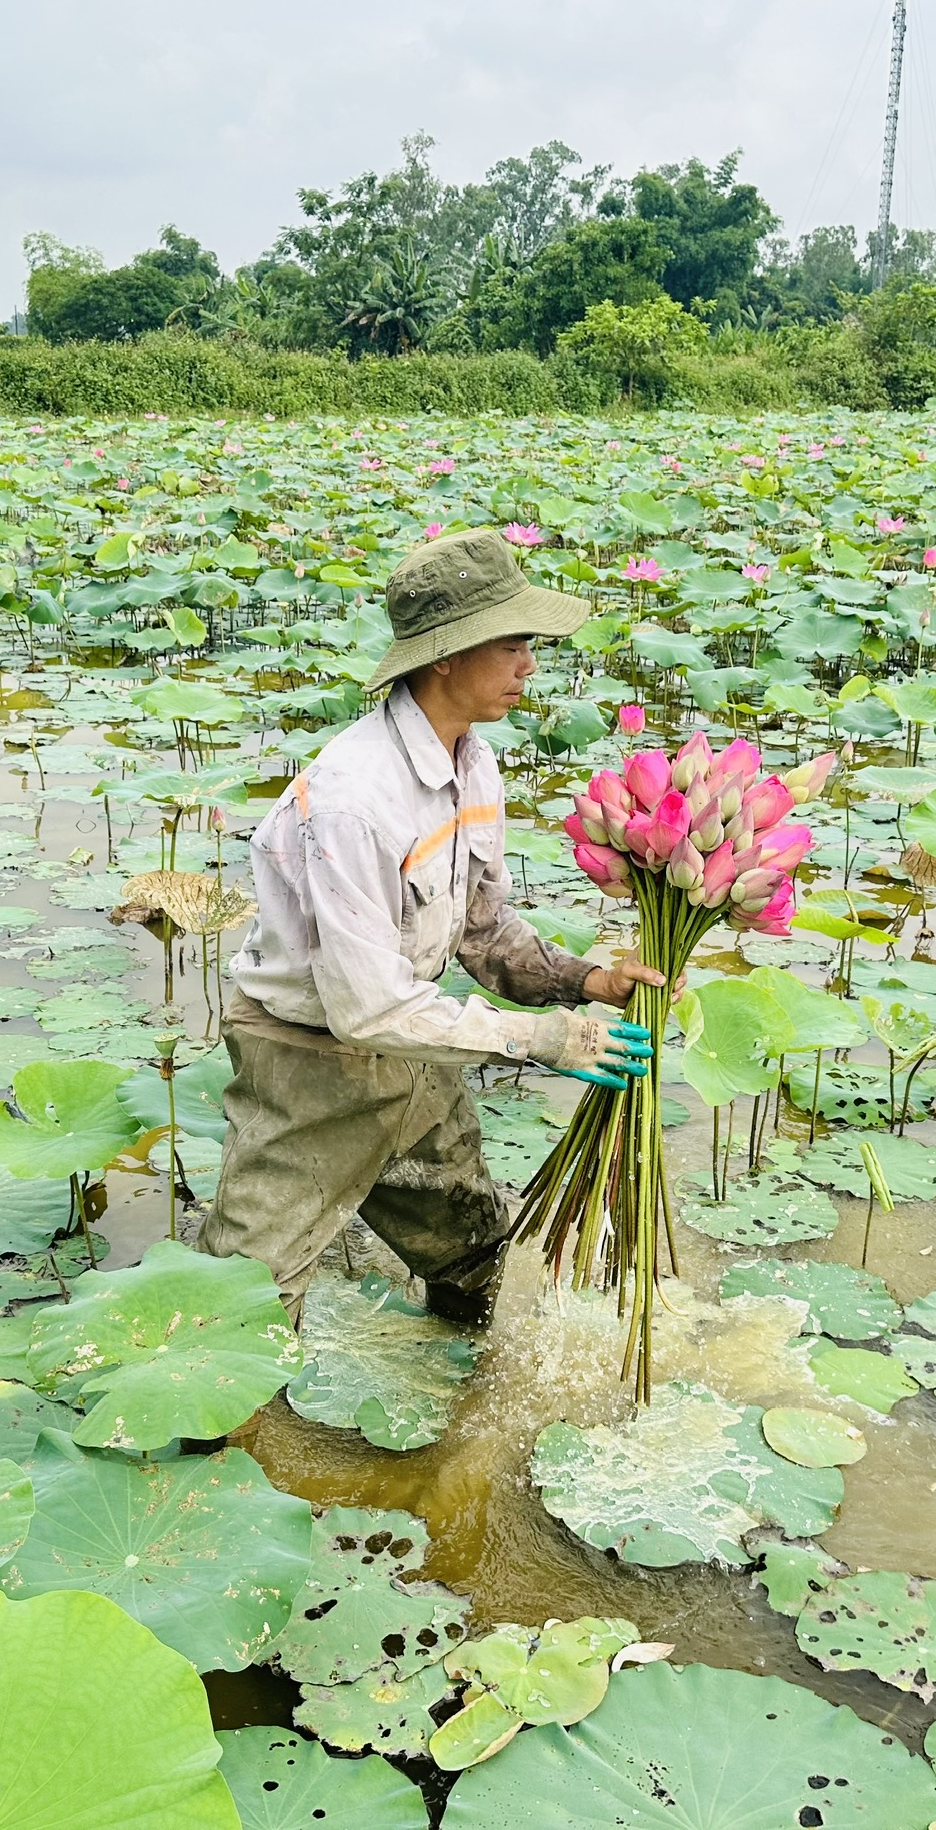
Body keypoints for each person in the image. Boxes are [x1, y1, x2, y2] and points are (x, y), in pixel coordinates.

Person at [198, 527, 663, 1324]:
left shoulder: (472, 763)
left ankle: (454, 1415)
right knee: (237, 1309)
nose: (531, 664)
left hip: (417, 1045)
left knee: (472, 1245)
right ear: (445, 655)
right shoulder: (354, 801)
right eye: (513, 642)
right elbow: (364, 1009)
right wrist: (543, 1039)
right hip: (307, 1064)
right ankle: (216, 1442)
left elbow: (481, 931)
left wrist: (588, 980)